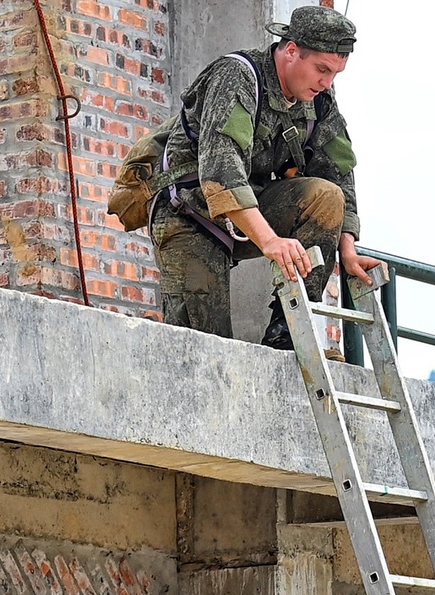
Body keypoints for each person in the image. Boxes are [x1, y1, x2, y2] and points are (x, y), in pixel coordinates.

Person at [149, 5, 381, 346]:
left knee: (326, 196)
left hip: (250, 208)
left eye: (335, 73)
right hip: (189, 215)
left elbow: (338, 173)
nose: (327, 82)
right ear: (291, 51)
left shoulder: (318, 99)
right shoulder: (237, 76)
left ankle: (288, 333)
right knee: (205, 348)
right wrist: (270, 241)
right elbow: (221, 170)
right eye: (321, 69)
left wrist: (347, 250)